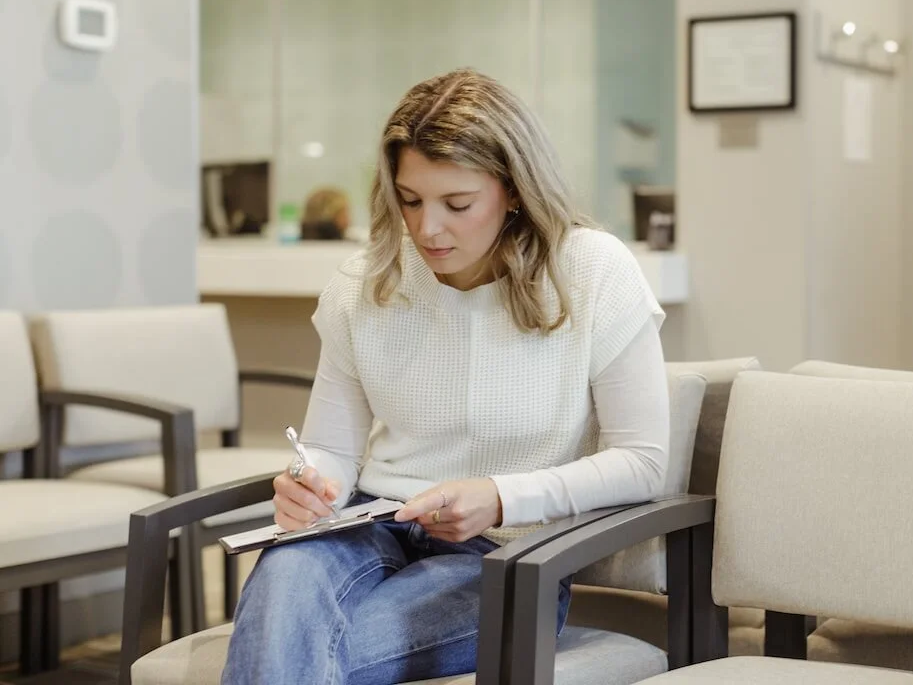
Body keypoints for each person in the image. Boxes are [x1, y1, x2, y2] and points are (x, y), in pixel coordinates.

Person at [222, 69, 671, 684]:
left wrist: (498, 496)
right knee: (286, 582)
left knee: (285, 655)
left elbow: (643, 462)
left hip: (505, 557)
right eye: (410, 200)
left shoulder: (593, 271)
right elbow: (331, 447)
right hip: (366, 528)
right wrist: (312, 486)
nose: (426, 229)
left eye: (456, 204)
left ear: (513, 190)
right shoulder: (366, 282)